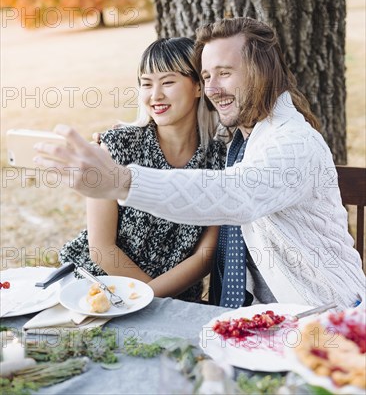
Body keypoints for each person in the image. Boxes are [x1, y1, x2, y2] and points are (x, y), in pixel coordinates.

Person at [35, 18, 365, 309]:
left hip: (327, 314)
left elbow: (235, 195)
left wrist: (122, 181)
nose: (213, 88)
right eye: (207, 75)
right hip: (255, 310)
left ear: (261, 72)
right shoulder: (245, 137)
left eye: (225, 73)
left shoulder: (292, 143)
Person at [58, 37, 226, 302]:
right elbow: (101, 248)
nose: (155, 95)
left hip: (174, 297)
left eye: (168, 82)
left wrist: (155, 300)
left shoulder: (220, 160)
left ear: (198, 87)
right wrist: (148, 299)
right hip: (100, 287)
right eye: (146, 84)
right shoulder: (116, 147)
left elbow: (205, 256)